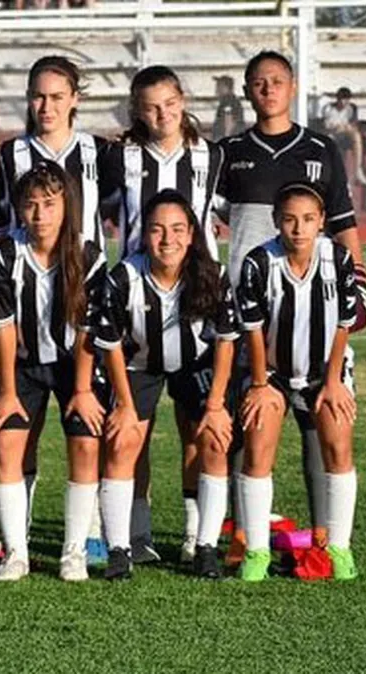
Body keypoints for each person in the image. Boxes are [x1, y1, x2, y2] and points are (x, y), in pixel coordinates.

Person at [216, 51, 366, 564]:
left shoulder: (320, 148)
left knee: (316, 423)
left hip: (311, 307)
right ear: (246, 90)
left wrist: (357, 281)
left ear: (292, 85)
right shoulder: (229, 152)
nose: (268, 90)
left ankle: (322, 536)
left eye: (276, 81)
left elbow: (344, 222)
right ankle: (243, 536)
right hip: (250, 310)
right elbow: (202, 216)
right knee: (250, 420)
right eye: (257, 82)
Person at [100, 65, 226, 565]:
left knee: (197, 431)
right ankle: (137, 534)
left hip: (195, 300)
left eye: (169, 103)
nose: (162, 114)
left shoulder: (211, 156)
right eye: (150, 106)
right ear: (136, 111)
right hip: (137, 300)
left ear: (182, 99)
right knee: (136, 429)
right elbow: (92, 204)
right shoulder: (120, 157)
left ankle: (199, 536)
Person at [92, 190, 238, 580]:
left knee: (212, 439)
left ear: (192, 234)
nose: (167, 239)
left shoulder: (213, 275)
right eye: (157, 230)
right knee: (122, 441)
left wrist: (216, 405)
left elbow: (226, 341)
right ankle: (120, 549)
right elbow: (110, 347)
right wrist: (123, 405)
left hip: (197, 364)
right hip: (138, 365)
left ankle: (204, 546)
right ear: (144, 235)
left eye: (177, 229)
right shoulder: (124, 277)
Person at [0, 162, 107, 582]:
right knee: (6, 442)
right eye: (31, 205)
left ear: (66, 205)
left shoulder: (88, 254)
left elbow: (90, 327)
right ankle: (16, 550)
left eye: (49, 204)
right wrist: (6, 390)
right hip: (22, 365)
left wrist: (84, 388)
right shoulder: (2, 255)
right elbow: (3, 324)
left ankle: (73, 551)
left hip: (77, 365)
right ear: (19, 208)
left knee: (87, 444)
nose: (40, 215)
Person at [236, 182, 359, 582]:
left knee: (338, 444)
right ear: (276, 222)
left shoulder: (338, 259)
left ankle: (339, 547)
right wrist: (259, 384)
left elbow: (344, 323)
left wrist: (334, 380)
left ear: (322, 221)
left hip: (326, 371)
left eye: (308, 220)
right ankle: (256, 552)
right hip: (271, 372)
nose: (298, 229)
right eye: (289, 220)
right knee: (257, 446)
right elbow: (254, 331)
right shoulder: (258, 263)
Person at [0, 55, 109, 250]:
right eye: (39, 97)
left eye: (57, 97)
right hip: (25, 277)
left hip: (85, 275)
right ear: (29, 97)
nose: (47, 107)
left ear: (74, 99)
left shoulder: (99, 150)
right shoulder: (10, 153)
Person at [320, 87, 366, 186]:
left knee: (357, 136)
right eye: (341, 99)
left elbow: (353, 126)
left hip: (346, 136)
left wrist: (344, 127)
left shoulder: (351, 108)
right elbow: (326, 126)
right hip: (332, 135)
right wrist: (341, 127)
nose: (343, 102)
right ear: (337, 99)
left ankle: (358, 169)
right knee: (329, 140)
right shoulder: (328, 108)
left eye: (346, 99)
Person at [212, 75, 245, 142]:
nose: (217, 89)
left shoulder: (228, 101)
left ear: (225, 87)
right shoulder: (232, 100)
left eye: (219, 86)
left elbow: (229, 120)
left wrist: (226, 138)